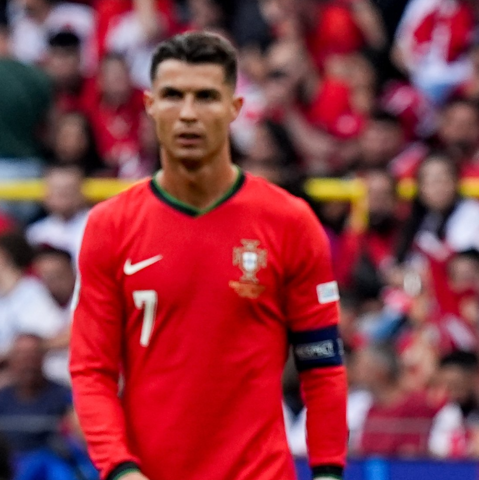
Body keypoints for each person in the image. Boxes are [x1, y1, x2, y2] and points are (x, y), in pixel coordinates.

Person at [69, 32, 348, 480]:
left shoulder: (291, 222)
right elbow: (91, 370)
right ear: (150, 105)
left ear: (235, 109)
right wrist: (119, 469)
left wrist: (329, 472)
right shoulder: (110, 226)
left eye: (206, 97)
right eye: (173, 96)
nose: (188, 114)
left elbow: (322, 366)